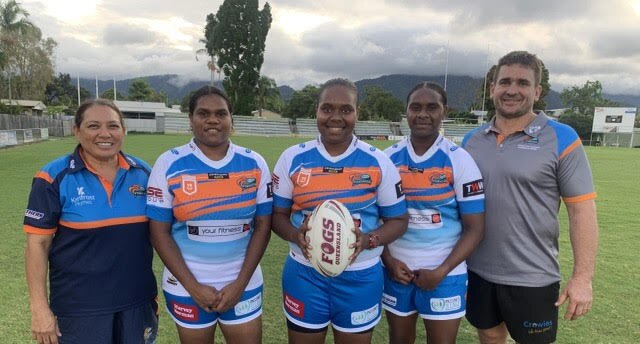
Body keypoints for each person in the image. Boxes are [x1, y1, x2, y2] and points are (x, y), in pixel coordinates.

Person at [461, 51, 599, 344]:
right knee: (488, 334)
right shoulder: (471, 140)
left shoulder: (562, 138)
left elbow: (582, 212)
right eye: (505, 81)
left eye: (523, 83)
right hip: (477, 270)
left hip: (533, 276)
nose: (512, 90)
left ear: (537, 91)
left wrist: (582, 278)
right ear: (492, 89)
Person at [271, 78, 408, 344]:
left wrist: (369, 240)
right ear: (317, 111)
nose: (336, 117)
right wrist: (294, 234)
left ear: (358, 112)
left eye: (346, 109)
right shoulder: (292, 158)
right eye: (328, 108)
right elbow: (277, 216)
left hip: (362, 276)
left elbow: (399, 220)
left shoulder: (378, 162)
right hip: (304, 274)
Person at [24, 99, 158, 344]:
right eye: (93, 126)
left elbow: (163, 233)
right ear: (76, 131)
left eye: (113, 126)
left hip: (137, 304)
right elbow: (37, 245)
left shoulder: (145, 174)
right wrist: (39, 309)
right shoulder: (52, 177)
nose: (104, 134)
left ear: (123, 131)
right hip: (78, 310)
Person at [146, 86, 272, 344]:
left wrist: (239, 285)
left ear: (231, 120)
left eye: (220, 113)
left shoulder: (255, 163)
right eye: (203, 113)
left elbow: (263, 226)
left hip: (243, 283)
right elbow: (159, 233)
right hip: (185, 287)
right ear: (190, 120)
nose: (212, 119)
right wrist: (194, 288)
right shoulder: (168, 164)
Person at [382, 82, 485, 344]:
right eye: (415, 107)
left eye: (432, 107)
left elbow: (475, 228)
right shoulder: (387, 159)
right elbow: (376, 221)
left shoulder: (459, 160)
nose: (423, 114)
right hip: (397, 272)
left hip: (445, 276)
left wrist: (441, 271)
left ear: (444, 111)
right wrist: (389, 262)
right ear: (406, 111)